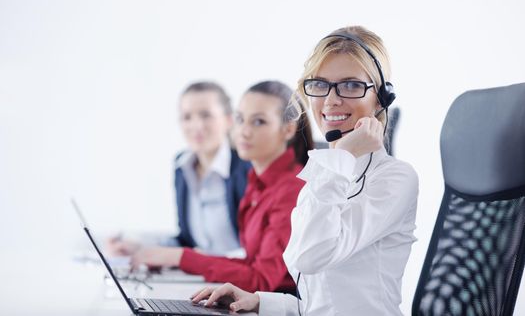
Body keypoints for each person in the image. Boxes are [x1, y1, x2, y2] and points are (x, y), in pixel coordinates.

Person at [190, 26, 419, 315]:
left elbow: (313, 255)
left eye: (350, 85)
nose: (331, 100)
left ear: (381, 98)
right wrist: (260, 300)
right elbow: (320, 300)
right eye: (320, 85)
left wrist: (343, 155)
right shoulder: (325, 172)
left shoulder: (394, 178)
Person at [128, 80, 314, 293]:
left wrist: (182, 257)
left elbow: (261, 280)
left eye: (259, 122)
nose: (243, 131)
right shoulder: (257, 182)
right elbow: (252, 264)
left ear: (288, 129)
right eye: (240, 119)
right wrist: (176, 257)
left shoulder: (291, 189)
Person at [108, 81, 251, 257]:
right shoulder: (181, 167)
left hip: (238, 280)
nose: (196, 125)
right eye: (187, 117)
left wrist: (200, 261)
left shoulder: (247, 168)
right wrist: (140, 248)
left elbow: (255, 251)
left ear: (229, 120)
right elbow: (187, 240)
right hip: (201, 278)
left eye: (206, 115)